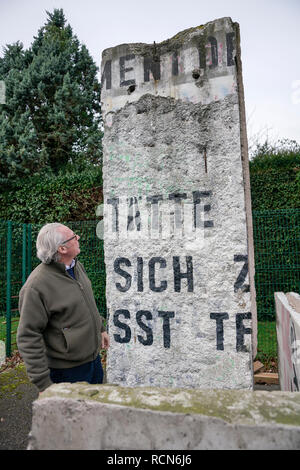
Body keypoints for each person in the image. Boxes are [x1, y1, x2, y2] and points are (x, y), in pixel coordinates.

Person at [17, 222, 109, 393]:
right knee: (75, 417)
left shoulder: (76, 267)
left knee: (95, 414)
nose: (78, 238)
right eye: (74, 237)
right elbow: (28, 337)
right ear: (62, 249)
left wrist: (101, 328)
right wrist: (43, 384)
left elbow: (87, 303)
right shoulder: (36, 286)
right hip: (67, 372)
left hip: (93, 362)